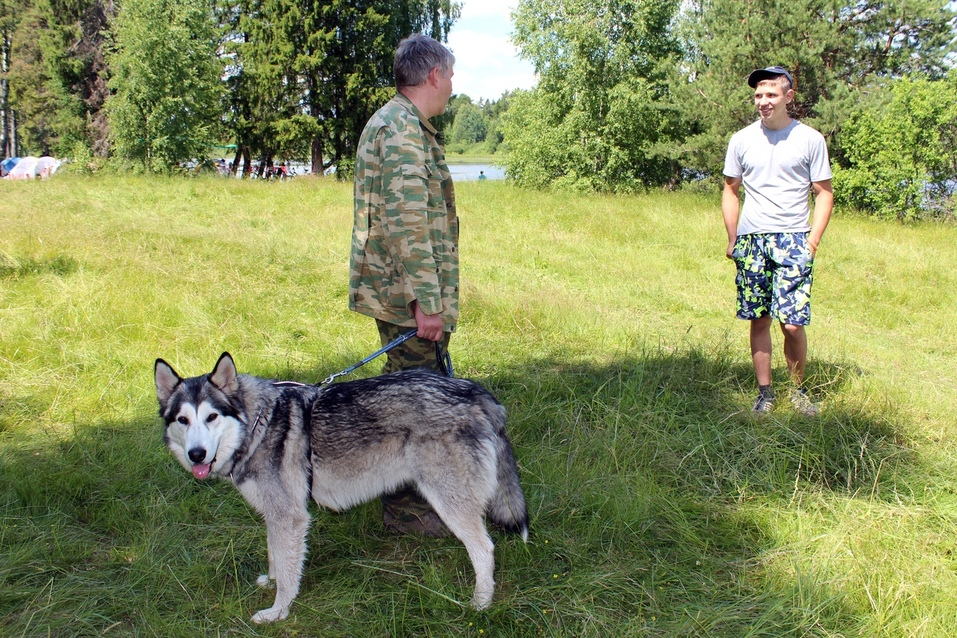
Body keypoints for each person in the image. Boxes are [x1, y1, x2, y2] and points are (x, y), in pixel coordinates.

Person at [349, 33, 458, 536]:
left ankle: (412, 503)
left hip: (404, 295)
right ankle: (408, 513)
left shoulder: (402, 124)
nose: (452, 86)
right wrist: (427, 304)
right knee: (414, 407)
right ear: (433, 75)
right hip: (408, 301)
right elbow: (407, 225)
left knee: (411, 397)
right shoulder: (401, 131)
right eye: (450, 75)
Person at [722, 66, 834, 416]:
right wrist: (733, 237)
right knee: (759, 319)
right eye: (758, 95)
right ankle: (765, 393)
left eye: (771, 95)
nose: (763, 101)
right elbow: (730, 189)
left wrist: (812, 241)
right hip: (753, 241)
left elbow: (824, 193)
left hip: (793, 240)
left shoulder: (809, 139)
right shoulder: (741, 140)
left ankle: (799, 392)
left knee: (793, 322)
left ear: (788, 97)